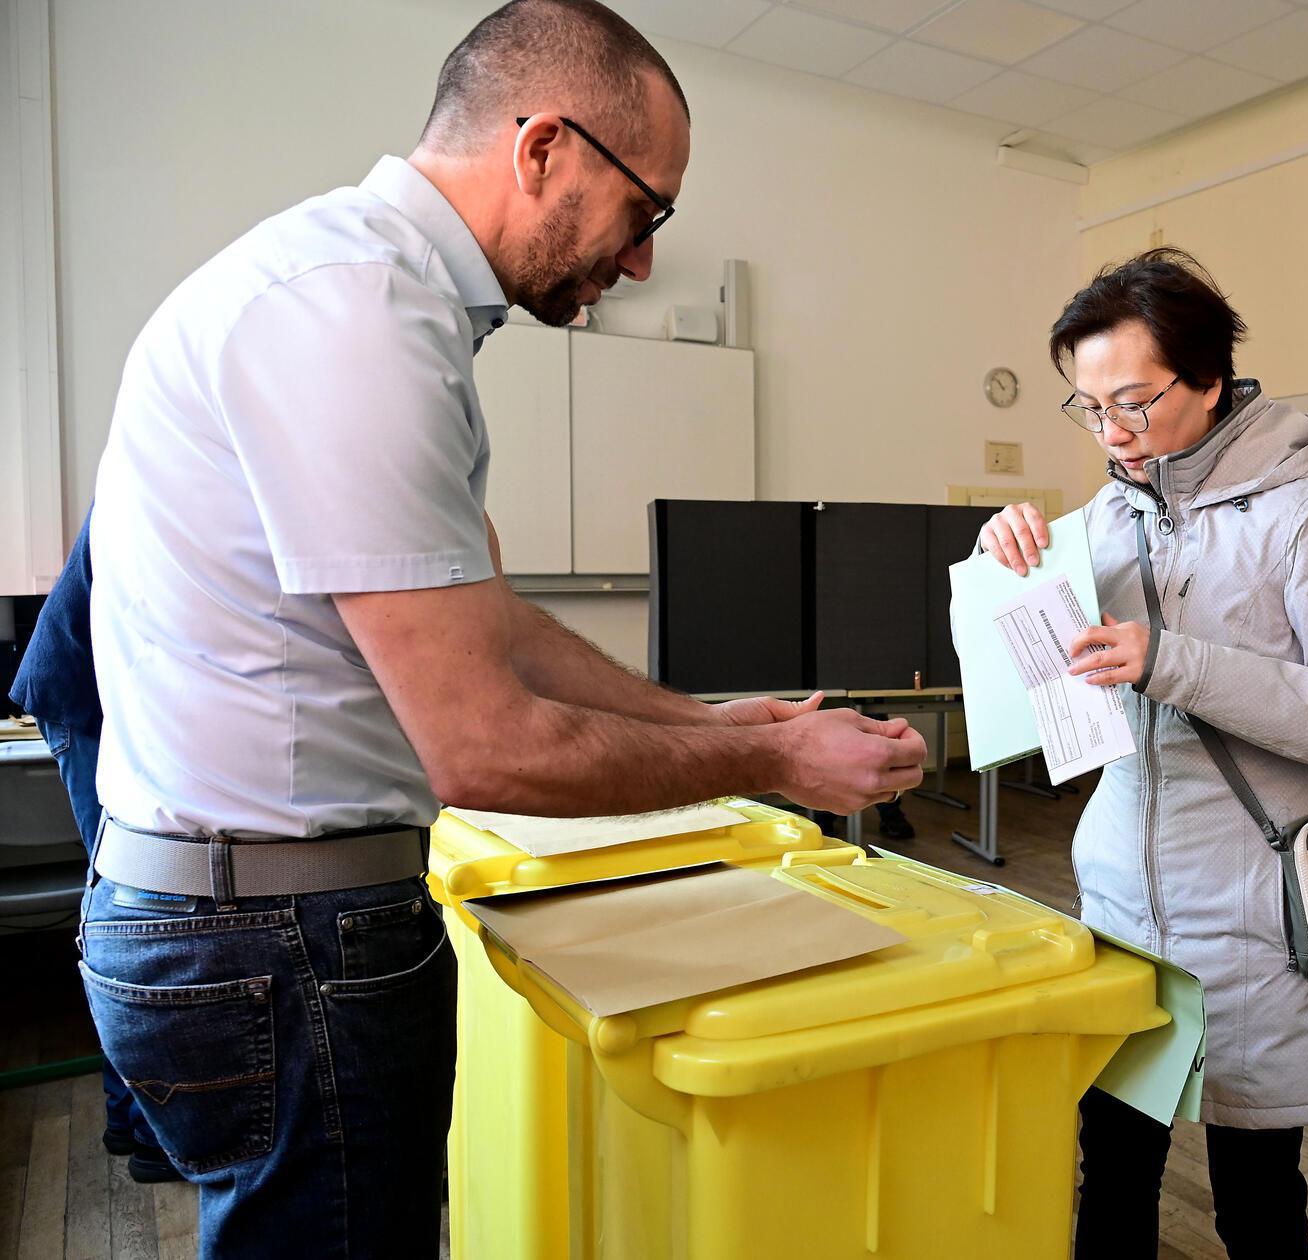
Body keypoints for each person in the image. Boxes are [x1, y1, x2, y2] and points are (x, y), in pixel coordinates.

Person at [78, 2, 924, 1253]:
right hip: (280, 938)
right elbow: (484, 747)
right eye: (648, 210)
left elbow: (504, 633)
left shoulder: (358, 290)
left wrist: (702, 719)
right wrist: (773, 762)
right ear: (543, 149)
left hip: (245, 921)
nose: (641, 261)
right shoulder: (359, 314)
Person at [979, 249, 1308, 1259]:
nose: (1112, 434)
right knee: (1113, 1178)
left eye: (1134, 402)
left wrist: (1175, 664)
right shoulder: (1097, 520)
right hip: (1120, 911)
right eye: (1087, 409)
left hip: (1253, 920)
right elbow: (1028, 677)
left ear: (1212, 379)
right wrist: (1004, 558)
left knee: (1258, 1203)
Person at [7, 511, 180, 1184]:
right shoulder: (172, 464)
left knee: (132, 901)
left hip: (93, 694)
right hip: (82, 700)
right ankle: (142, 1132)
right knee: (131, 899)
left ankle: (128, 1122)